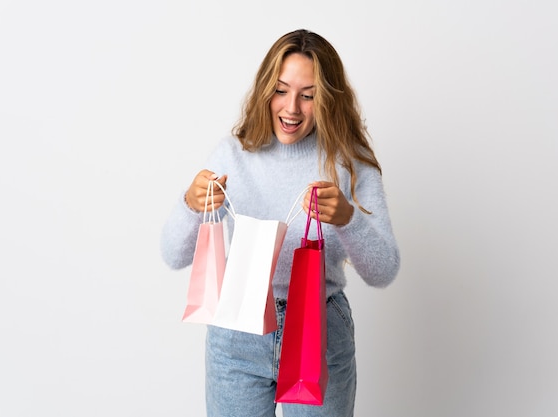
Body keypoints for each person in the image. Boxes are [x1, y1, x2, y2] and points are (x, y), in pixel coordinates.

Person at [161, 29, 400, 417]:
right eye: (280, 90)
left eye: (308, 95)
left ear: (328, 99)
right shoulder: (234, 155)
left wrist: (347, 220)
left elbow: (384, 271)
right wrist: (192, 204)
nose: (292, 108)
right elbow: (173, 255)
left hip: (319, 332)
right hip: (238, 335)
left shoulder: (349, 163)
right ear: (264, 90)